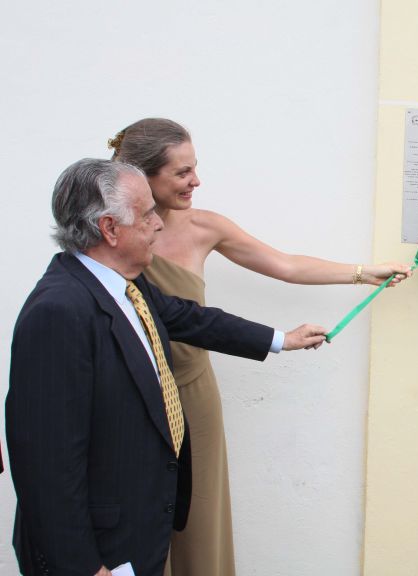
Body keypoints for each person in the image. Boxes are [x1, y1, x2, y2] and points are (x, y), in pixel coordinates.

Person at [108, 117, 411, 576]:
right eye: (182, 172)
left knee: (199, 516)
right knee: (137, 512)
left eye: (195, 167)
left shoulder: (205, 226)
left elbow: (285, 265)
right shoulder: (110, 234)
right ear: (143, 177)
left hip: (192, 391)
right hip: (129, 393)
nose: (196, 181)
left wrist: (362, 272)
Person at [5, 159, 327, 576]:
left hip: (137, 535)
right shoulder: (59, 312)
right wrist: (84, 567)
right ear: (110, 229)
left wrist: (282, 339)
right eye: (146, 215)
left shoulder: (127, 284)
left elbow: (192, 319)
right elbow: (45, 464)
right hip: (97, 556)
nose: (158, 224)